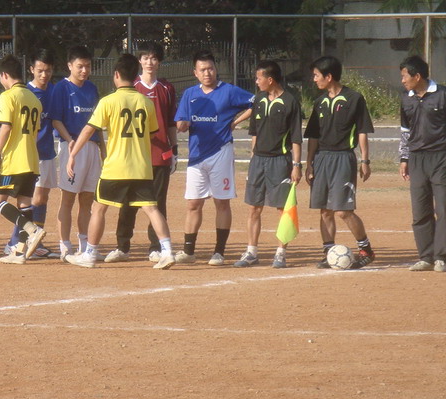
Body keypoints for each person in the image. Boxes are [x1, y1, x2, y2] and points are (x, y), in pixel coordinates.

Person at [65, 54, 177, 270]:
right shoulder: (146, 102)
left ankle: (90, 254)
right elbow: (152, 132)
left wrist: (73, 155)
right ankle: (167, 251)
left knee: (99, 209)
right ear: (135, 76)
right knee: (152, 209)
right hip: (141, 168)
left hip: (115, 168)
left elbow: (88, 130)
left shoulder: (108, 101)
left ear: (116, 75)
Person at [173, 51, 253, 265]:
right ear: (195, 73)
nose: (207, 73)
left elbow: (256, 103)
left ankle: (219, 252)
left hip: (221, 152)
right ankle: (188, 251)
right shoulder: (190, 94)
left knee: (221, 202)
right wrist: (182, 124)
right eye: (202, 70)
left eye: (210, 68)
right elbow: (180, 122)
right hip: (196, 155)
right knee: (193, 203)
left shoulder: (229, 91)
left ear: (216, 69)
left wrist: (236, 122)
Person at [398, 55, 446, 273]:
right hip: (416, 159)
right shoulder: (406, 99)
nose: (402, 80)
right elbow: (405, 132)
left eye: (404, 76)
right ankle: (426, 256)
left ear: (417, 76)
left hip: (440, 158)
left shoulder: (444, 94)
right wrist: (404, 158)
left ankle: (440, 257)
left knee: (443, 208)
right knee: (420, 210)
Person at [106, 41, 177, 263]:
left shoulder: (166, 88)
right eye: (145, 58)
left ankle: (156, 247)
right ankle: (122, 246)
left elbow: (171, 122)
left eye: (154, 58)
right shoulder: (131, 86)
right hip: (134, 157)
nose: (149, 62)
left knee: (157, 203)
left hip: (160, 155)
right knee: (128, 203)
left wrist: (174, 149)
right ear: (139, 61)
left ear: (160, 62)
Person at [304, 55, 376, 269]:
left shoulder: (354, 98)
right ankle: (329, 252)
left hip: (343, 158)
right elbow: (313, 136)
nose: (314, 79)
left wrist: (365, 160)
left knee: (343, 211)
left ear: (329, 76)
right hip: (322, 158)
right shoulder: (319, 102)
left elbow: (362, 131)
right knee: (325, 210)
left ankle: (366, 250)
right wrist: (309, 164)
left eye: (316, 75)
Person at [236, 60, 302, 269]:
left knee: (282, 209)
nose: (256, 82)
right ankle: (251, 252)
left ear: (270, 79)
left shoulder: (290, 102)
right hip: (258, 161)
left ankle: (281, 253)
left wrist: (296, 165)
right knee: (254, 207)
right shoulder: (259, 99)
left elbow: (296, 137)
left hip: (280, 161)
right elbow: (254, 131)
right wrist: (253, 157)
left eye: (259, 78)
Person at [0, 54, 47, 264]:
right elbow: (36, 131)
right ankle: (20, 252)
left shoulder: (8, 96)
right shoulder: (34, 99)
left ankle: (32, 230)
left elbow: (6, 127)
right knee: (24, 205)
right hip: (31, 160)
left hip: (14, 161)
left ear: (4, 75)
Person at [5, 48, 59, 258]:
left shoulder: (53, 91)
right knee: (31, 200)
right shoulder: (24, 93)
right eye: (40, 70)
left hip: (47, 152)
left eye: (48, 70)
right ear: (31, 70)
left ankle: (36, 243)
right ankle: (15, 242)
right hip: (28, 154)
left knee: (43, 198)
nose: (44, 75)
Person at [51, 45, 103, 259]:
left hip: (92, 147)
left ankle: (84, 245)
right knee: (68, 198)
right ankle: (65, 244)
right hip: (71, 147)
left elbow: (97, 123)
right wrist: (70, 140)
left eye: (87, 66)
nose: (84, 70)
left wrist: (103, 149)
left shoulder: (92, 88)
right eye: (80, 66)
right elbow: (56, 119)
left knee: (87, 199)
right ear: (70, 66)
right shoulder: (61, 88)